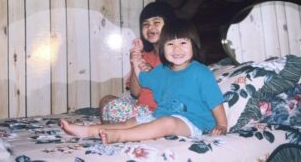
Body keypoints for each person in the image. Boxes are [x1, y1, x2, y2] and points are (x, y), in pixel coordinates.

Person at [60, 19, 228, 144]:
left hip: (193, 122)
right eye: (170, 44)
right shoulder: (163, 70)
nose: (177, 49)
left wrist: (221, 124)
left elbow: (214, 100)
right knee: (131, 122)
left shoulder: (200, 71)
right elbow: (143, 79)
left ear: (194, 45)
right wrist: (136, 60)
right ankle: (88, 130)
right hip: (160, 115)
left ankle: (119, 137)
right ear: (163, 48)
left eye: (183, 43)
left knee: (167, 123)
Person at [99, 1, 176, 124]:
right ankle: (112, 130)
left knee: (112, 107)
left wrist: (153, 74)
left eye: (156, 22)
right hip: (142, 109)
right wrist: (136, 62)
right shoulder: (144, 55)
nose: (150, 27)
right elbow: (135, 92)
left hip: (161, 112)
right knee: (106, 100)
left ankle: (119, 130)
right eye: (145, 24)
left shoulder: (177, 56)